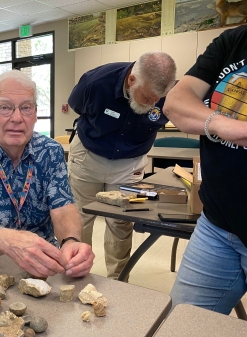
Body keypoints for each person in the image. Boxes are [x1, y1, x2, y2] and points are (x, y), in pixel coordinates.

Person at [0, 70, 95, 278]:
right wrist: (7, 241)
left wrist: (70, 241)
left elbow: (63, 208)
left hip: (45, 264)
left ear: (35, 113)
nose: (17, 118)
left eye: (26, 108)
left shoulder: (51, 152)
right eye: (5, 107)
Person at [67, 52, 176, 278]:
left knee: (120, 224)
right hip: (89, 156)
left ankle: (117, 280)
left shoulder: (170, 94)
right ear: (132, 80)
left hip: (130, 163)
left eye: (158, 98)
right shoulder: (96, 82)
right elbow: (75, 105)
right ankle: (77, 272)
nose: (153, 103)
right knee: (80, 217)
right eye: (147, 97)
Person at [164, 25, 247, 314]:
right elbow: (176, 103)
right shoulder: (234, 40)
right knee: (178, 329)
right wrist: (229, 127)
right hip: (217, 226)